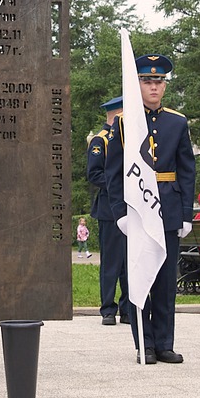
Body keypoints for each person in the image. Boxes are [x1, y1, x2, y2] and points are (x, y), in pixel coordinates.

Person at [105, 53, 194, 364]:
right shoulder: (126, 122)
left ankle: (165, 343)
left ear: (165, 86)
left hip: (168, 207)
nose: (154, 86)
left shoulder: (177, 122)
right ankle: (144, 344)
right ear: (137, 84)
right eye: (147, 81)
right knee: (140, 277)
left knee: (167, 281)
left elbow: (186, 170)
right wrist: (119, 213)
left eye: (159, 81)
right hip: (138, 211)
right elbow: (113, 173)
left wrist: (185, 213)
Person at [86, 96, 127, 326]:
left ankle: (128, 309)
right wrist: (120, 185)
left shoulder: (126, 139)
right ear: (115, 115)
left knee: (129, 261)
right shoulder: (100, 140)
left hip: (130, 208)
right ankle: (108, 309)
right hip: (109, 210)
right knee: (112, 261)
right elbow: (94, 174)